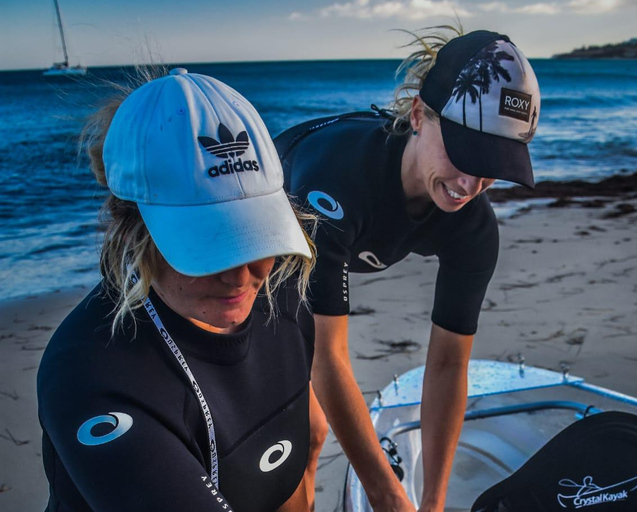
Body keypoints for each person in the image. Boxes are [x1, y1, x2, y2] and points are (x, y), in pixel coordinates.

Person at [275, 28, 541, 511]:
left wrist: (432, 501)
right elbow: (327, 357)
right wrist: (389, 496)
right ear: (419, 115)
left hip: (322, 239)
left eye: (491, 164)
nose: (469, 183)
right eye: (464, 153)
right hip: (260, 241)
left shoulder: (474, 229)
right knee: (300, 432)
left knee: (312, 430)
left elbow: (447, 364)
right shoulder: (335, 187)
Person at [37, 68, 318, 512]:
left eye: (259, 235)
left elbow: (295, 472)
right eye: (211, 247)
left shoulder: (282, 298)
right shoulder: (89, 375)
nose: (242, 276)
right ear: (130, 229)